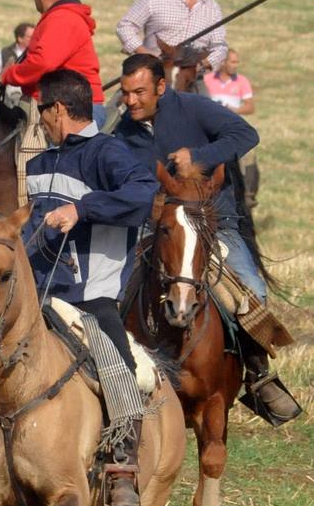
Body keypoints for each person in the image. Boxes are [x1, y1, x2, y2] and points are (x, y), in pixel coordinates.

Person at [0, 70, 158, 506]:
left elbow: (144, 193)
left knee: (117, 362)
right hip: (39, 294)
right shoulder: (40, 163)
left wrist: (82, 209)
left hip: (89, 295)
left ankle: (121, 464)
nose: (38, 121)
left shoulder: (107, 152)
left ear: (58, 110)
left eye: (40, 111)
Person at [112, 53, 301, 423]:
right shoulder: (124, 131)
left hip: (214, 224)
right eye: (126, 92)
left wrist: (199, 155)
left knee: (252, 291)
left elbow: (247, 135)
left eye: (139, 92)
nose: (131, 101)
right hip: (157, 228)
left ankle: (257, 374)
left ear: (160, 87)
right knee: (113, 289)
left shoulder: (194, 108)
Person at [0, 0, 106, 125]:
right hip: (65, 104)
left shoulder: (62, 18)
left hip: (74, 110)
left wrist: (9, 74)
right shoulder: (61, 17)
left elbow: (43, 63)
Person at [204, 48, 259, 209]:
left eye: (237, 62)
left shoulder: (242, 81)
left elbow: (250, 107)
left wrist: (234, 110)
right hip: (210, 128)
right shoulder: (207, 80)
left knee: (249, 154)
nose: (236, 65)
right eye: (232, 62)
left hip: (232, 128)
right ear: (223, 62)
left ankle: (248, 193)